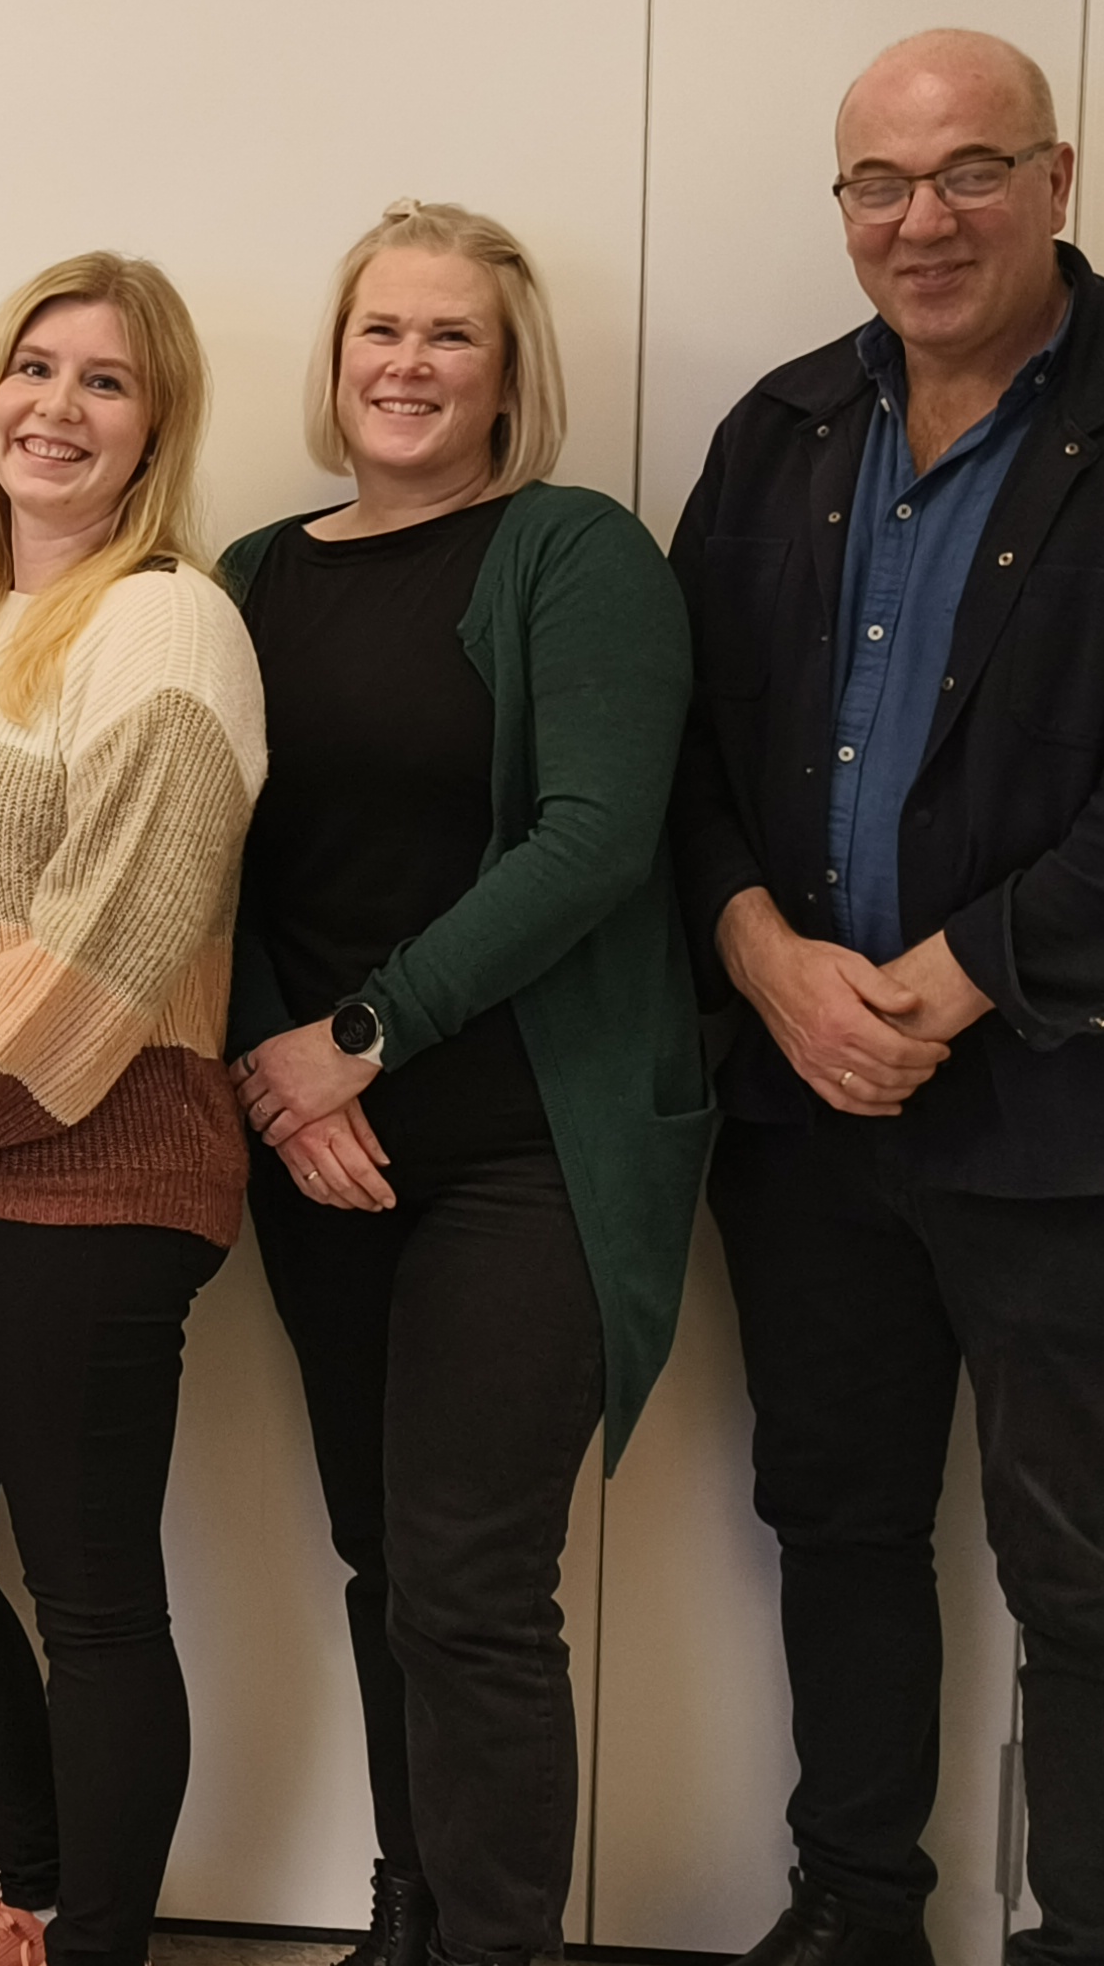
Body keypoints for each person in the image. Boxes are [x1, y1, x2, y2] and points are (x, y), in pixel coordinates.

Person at [668, 31, 1104, 1966]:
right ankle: (855, 1913)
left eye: (970, 173)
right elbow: (687, 747)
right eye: (878, 186)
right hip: (810, 1114)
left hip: (1082, 1126)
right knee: (841, 1530)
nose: (921, 222)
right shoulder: (784, 432)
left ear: (1059, 178)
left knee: (1092, 1574)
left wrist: (958, 978)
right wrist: (758, 952)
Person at [217, 203, 709, 1966]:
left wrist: (360, 1035)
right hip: (317, 1138)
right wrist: (293, 1079)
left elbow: (593, 842)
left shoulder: (575, 552)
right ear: (334, 360)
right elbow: (217, 860)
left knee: (473, 1582)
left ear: (511, 377)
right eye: (380, 333)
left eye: (451, 339)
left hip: (526, 1147)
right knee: (380, 1560)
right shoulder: (254, 573)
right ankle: (405, 1914)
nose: (408, 367)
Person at [0, 253, 266, 1966]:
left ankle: (92, 1946)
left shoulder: (169, 617)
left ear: (156, 426)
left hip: (93, 1172)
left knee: (91, 1599)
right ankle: (31, 1891)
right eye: (33, 367)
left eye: (105, 380)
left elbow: (126, 919)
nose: (56, 408)